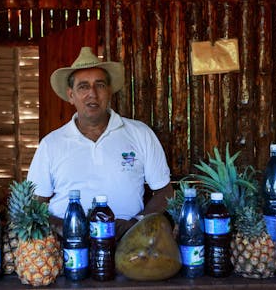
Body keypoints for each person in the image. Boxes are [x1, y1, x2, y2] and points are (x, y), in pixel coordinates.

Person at [27, 47, 174, 239]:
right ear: (71, 95)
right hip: (67, 245)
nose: (92, 94)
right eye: (83, 87)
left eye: (100, 85)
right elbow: (34, 204)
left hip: (130, 244)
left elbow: (165, 191)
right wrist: (65, 227)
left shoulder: (140, 134)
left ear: (110, 91)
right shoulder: (51, 144)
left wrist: (136, 223)